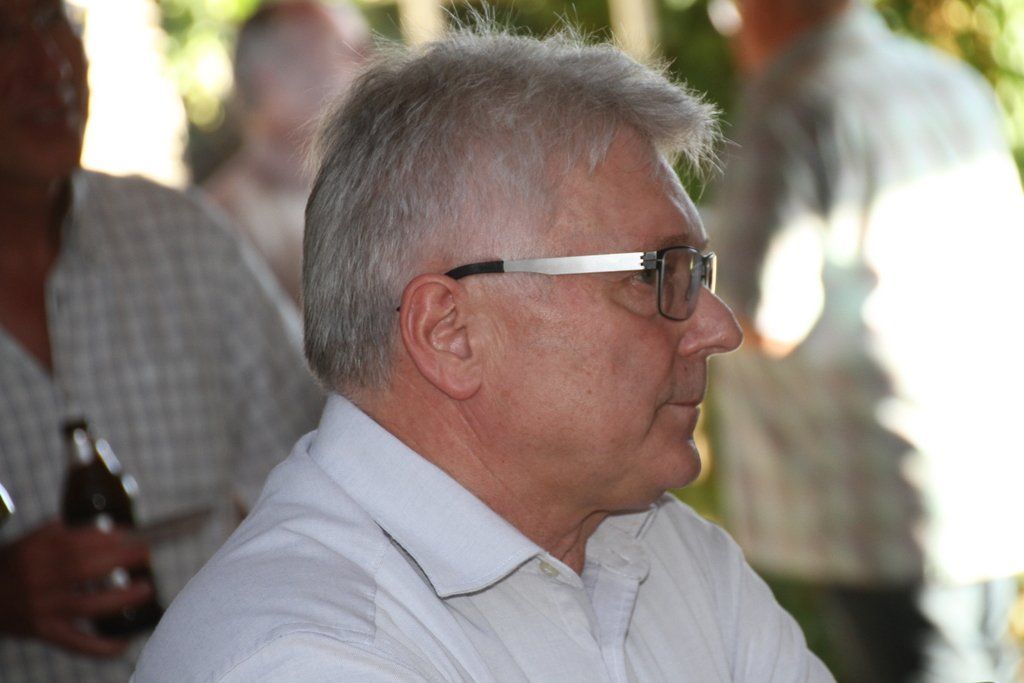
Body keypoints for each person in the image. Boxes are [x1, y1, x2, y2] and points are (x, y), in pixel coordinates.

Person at [134, 26, 833, 681]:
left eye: (697, 274)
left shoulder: (662, 547)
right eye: (655, 275)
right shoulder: (302, 652)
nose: (718, 328)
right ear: (450, 332)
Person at [0, 1, 323, 680]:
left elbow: (322, 465)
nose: (50, 64)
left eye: (56, 22)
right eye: (4, 35)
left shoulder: (182, 237)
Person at [708, 0, 1024, 680]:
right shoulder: (946, 79)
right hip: (981, 468)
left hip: (877, 500)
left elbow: (758, 314)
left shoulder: (795, 100)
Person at [204, 0, 370, 305]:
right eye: (345, 50)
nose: (367, 64)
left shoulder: (372, 188)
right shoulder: (222, 225)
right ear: (270, 79)